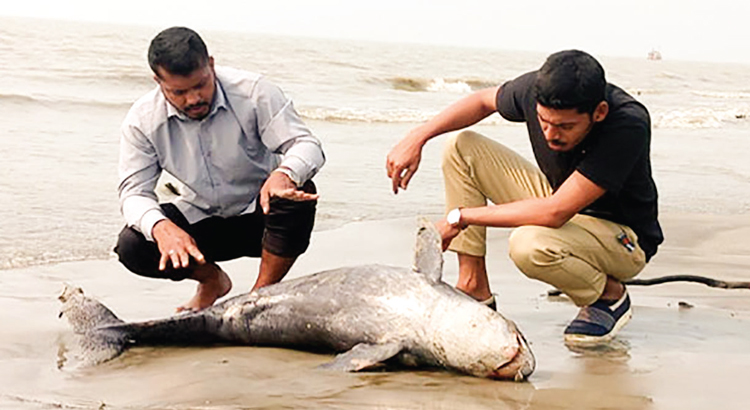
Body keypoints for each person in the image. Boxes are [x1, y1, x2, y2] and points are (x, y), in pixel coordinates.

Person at [386, 50, 663, 345]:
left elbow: (555, 212)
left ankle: (609, 295)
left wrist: (460, 217)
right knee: (461, 147)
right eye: (544, 121)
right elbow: (482, 101)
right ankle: (473, 286)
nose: (551, 134)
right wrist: (418, 137)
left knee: (529, 245)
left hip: (621, 239)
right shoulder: (535, 89)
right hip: (563, 204)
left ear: (599, 113)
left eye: (565, 126)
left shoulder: (627, 124)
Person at [115, 27, 325, 312]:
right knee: (133, 243)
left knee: (299, 189)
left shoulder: (255, 92)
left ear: (211, 65)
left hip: (261, 219)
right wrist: (161, 227)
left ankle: (257, 299)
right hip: (203, 222)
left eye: (201, 85)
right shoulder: (142, 120)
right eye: (178, 92)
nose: (192, 99)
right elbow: (133, 193)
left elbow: (306, 145)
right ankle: (212, 281)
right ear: (158, 81)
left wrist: (283, 174)